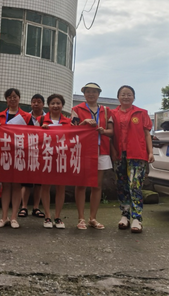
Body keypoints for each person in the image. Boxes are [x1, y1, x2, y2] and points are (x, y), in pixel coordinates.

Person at [111, 85, 154, 234]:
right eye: (123, 94)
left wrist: (150, 152)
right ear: (118, 97)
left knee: (135, 185)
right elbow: (110, 134)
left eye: (129, 94)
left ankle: (137, 218)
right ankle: (125, 215)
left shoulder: (141, 113)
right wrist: (112, 150)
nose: (126, 97)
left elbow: (147, 134)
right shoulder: (112, 114)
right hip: (119, 154)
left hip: (137, 154)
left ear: (134, 97)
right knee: (121, 185)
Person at [71, 83, 114, 230]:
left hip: (101, 149)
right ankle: (81, 218)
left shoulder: (106, 111)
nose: (91, 94)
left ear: (98, 94)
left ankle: (93, 218)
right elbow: (72, 131)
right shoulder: (76, 110)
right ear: (84, 94)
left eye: (94, 92)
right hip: (83, 151)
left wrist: (103, 131)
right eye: (88, 91)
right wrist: (83, 123)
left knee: (97, 185)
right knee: (81, 184)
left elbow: (111, 131)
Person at [0, 88, 35, 229]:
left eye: (15, 96)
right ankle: (4, 217)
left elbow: (32, 134)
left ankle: (14, 218)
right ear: (6, 99)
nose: (12, 99)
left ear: (19, 98)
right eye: (9, 97)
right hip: (4, 153)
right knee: (5, 186)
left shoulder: (27, 116)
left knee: (17, 186)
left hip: (19, 154)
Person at [40, 94, 72, 229]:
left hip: (62, 157)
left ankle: (57, 217)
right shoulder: (41, 120)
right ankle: (47, 216)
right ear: (48, 105)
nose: (55, 106)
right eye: (52, 103)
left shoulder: (68, 122)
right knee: (45, 186)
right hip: (45, 156)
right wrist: (41, 129)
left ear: (62, 105)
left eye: (58, 103)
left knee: (61, 187)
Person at [18, 94, 45, 219]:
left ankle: (36, 207)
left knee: (39, 182)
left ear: (43, 104)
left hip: (42, 153)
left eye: (39, 102)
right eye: (34, 101)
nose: (36, 104)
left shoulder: (47, 118)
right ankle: (23, 207)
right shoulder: (24, 117)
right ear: (30, 104)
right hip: (27, 152)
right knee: (26, 181)